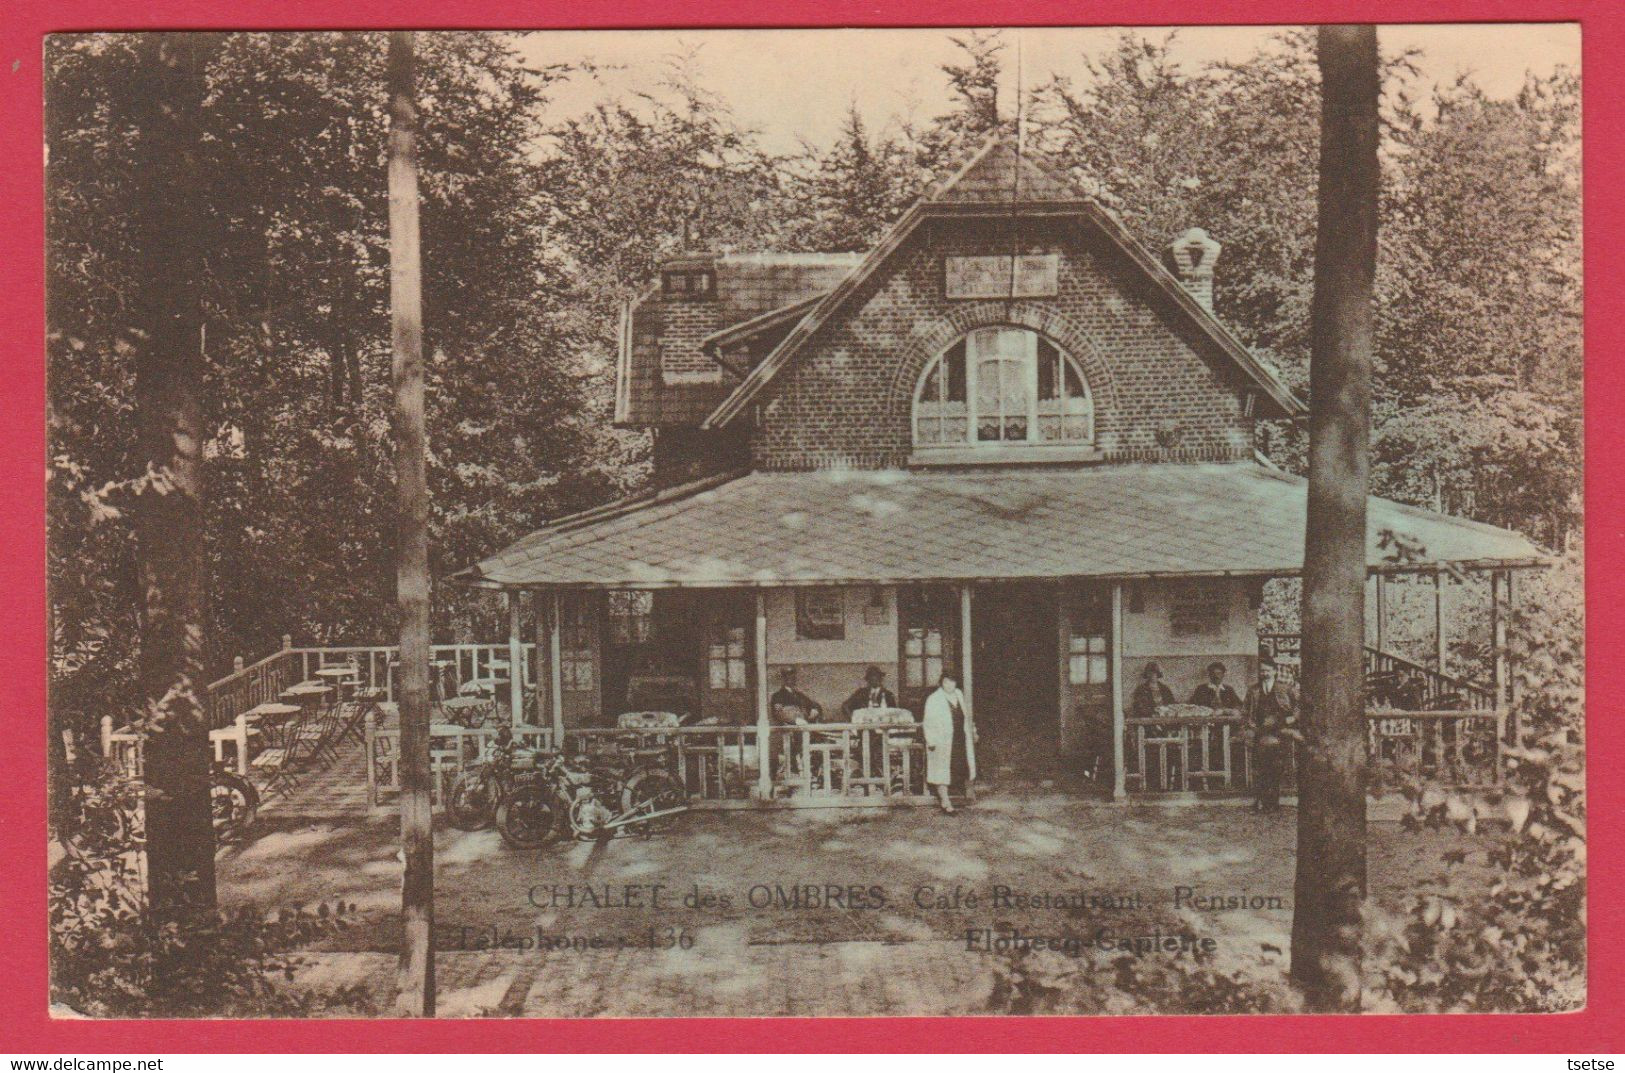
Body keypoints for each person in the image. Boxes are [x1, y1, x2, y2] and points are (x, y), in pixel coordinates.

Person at [1245, 657, 1299, 813]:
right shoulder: (1253, 690)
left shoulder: (1285, 688)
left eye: (1268, 670)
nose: (1265, 673)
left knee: (1275, 767)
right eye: (1262, 671)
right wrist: (1250, 724)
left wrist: (1293, 717)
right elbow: (1246, 710)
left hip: (1280, 730)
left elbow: (1299, 706)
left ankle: (1272, 802)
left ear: (1275, 671)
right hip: (1260, 731)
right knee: (1260, 767)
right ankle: (1261, 801)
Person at [922, 670, 976, 813]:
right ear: (941, 682)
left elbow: (966, 716)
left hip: (958, 738)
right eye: (946, 681)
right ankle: (945, 802)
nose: (949, 685)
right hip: (941, 740)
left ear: (956, 683)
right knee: (941, 770)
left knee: (956, 767)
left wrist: (973, 731)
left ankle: (963, 796)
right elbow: (928, 722)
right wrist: (931, 740)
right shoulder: (934, 699)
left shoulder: (958, 694)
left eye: (952, 681)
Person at [769, 668, 820, 776]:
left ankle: (811, 768)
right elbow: (778, 713)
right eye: (788, 677)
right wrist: (795, 720)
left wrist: (815, 710)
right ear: (783, 679)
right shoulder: (778, 696)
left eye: (793, 677)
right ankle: (800, 769)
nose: (791, 679)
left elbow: (813, 704)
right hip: (789, 729)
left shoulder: (799, 695)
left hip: (804, 727)